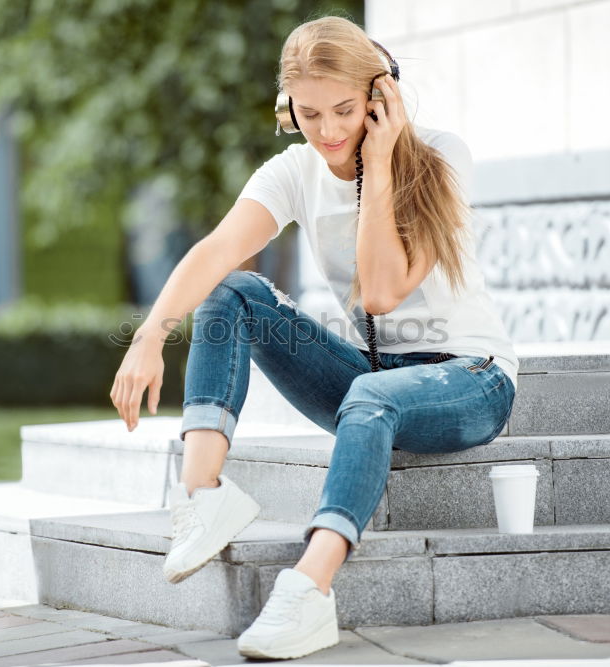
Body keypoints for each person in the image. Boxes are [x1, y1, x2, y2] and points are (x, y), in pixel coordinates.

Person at [109, 14, 518, 661]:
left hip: (470, 378)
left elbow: (382, 291)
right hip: (375, 375)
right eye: (309, 112)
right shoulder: (295, 171)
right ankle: (203, 496)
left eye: (346, 110)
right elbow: (217, 249)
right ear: (286, 108)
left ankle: (308, 587)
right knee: (233, 290)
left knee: (372, 397)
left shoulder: (440, 155)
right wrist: (148, 337)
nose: (328, 130)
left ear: (380, 98)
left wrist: (379, 165)